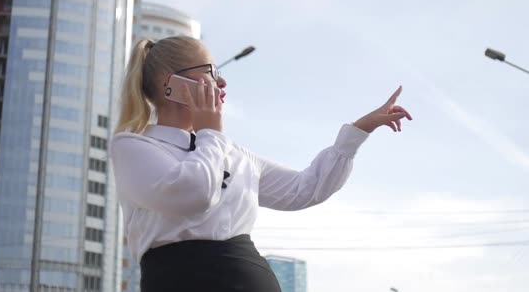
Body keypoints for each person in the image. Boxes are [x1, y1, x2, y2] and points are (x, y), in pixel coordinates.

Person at [110, 36, 412, 292]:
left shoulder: (235, 154)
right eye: (211, 71)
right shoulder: (133, 147)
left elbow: (307, 188)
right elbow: (194, 193)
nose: (222, 81)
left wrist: (359, 130)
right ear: (170, 84)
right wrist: (211, 131)